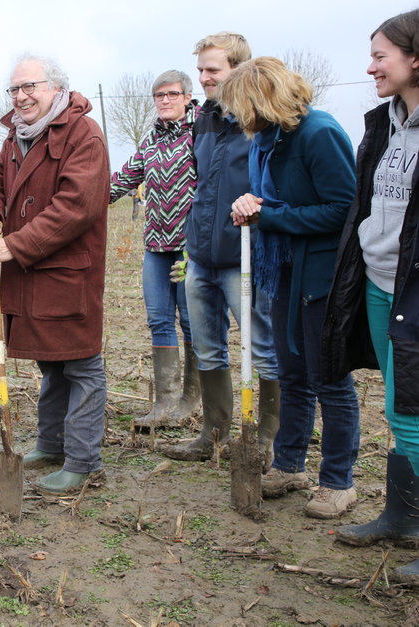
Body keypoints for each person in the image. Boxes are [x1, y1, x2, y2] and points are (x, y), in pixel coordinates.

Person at [223, 57, 360, 519]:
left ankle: (338, 482)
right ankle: (289, 464)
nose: (239, 118)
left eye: (243, 107)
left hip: (320, 276)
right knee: (292, 372)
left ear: (265, 100)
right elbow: (267, 198)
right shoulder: (267, 140)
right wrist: (249, 204)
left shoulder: (318, 133)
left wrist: (270, 215)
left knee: (330, 380)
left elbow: (343, 209)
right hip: (280, 266)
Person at [0, 54, 110, 495]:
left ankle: (83, 460)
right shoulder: (17, 135)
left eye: (29, 86)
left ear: (56, 87)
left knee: (82, 364)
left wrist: (14, 245)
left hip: (69, 272)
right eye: (14, 89)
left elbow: (76, 208)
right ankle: (51, 444)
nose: (20, 96)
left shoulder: (83, 134)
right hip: (34, 275)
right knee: (51, 364)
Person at [323, 8, 419, 580]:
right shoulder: (383, 124)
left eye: (381, 56)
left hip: (415, 287)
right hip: (380, 283)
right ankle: (403, 517)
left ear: (415, 60)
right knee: (397, 406)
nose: (370, 66)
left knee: (413, 409)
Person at [160, 33, 281, 464]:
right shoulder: (205, 118)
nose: (204, 78)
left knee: (263, 347)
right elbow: (203, 186)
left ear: (238, 69)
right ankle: (212, 434)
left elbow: (272, 187)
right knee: (208, 346)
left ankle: (265, 439)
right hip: (202, 256)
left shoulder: (261, 120)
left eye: (213, 69)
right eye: (201, 70)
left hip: (245, 256)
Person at [109, 70, 200, 430]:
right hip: (156, 245)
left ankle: (191, 399)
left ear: (187, 98)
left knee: (192, 321)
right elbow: (123, 180)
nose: (164, 100)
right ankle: (165, 401)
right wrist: (80, 199)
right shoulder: (151, 140)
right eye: (159, 95)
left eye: (172, 94)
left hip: (191, 248)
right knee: (159, 319)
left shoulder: (201, 134)